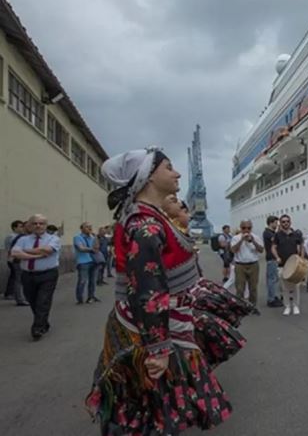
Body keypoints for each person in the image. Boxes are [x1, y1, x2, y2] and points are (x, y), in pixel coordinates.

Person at [84, 148, 234, 433]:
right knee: (147, 406)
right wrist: (158, 348)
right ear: (149, 177)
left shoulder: (150, 217)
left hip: (163, 320)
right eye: (169, 167)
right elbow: (148, 292)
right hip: (152, 328)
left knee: (148, 406)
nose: (177, 173)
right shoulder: (146, 225)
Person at [10, 214, 60, 339]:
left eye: (41, 223)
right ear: (30, 225)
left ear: (45, 225)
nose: (38, 226)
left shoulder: (53, 238)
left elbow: (48, 250)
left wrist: (25, 251)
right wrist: (36, 255)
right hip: (27, 275)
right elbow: (15, 252)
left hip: (48, 274)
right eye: (35, 223)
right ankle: (43, 322)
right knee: (32, 301)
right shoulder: (23, 239)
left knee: (43, 301)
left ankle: (37, 328)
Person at [272, 215, 305, 316]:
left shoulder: (296, 234)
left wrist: (302, 259)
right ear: (280, 223)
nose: (285, 223)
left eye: (287, 221)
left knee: (295, 286)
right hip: (282, 265)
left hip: (294, 265)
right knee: (284, 287)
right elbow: (273, 247)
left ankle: (295, 305)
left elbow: (302, 247)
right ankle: (287, 306)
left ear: (290, 222)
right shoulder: (278, 235)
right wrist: (277, 257)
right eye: (283, 222)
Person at [230, 220, 264, 306]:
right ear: (240, 228)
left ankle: (252, 305)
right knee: (240, 288)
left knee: (253, 287)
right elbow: (233, 250)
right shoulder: (236, 238)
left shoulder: (256, 237)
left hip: (253, 264)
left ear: (251, 228)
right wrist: (241, 240)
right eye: (244, 228)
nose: (246, 230)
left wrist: (253, 241)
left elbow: (261, 250)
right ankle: (240, 306)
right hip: (240, 265)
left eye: (248, 228)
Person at [73, 222, 101, 304]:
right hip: (83, 262)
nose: (89, 228)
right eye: (87, 227)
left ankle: (91, 297)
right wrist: (92, 249)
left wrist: (95, 238)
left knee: (93, 281)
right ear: (81, 229)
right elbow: (81, 248)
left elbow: (97, 247)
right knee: (82, 281)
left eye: (90, 227)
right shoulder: (77, 237)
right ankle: (80, 298)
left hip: (93, 261)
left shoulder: (93, 237)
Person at [4, 220, 28, 305]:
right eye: (20, 226)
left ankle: (16, 295)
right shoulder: (14, 237)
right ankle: (16, 297)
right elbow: (12, 249)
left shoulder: (21, 236)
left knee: (16, 277)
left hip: (16, 259)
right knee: (18, 279)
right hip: (16, 259)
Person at [262, 216, 283, 307]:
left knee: (274, 278)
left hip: (273, 258)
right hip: (271, 258)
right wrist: (280, 231)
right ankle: (271, 299)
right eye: (275, 223)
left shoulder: (271, 232)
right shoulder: (267, 233)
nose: (277, 224)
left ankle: (273, 296)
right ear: (270, 223)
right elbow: (276, 240)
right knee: (272, 279)